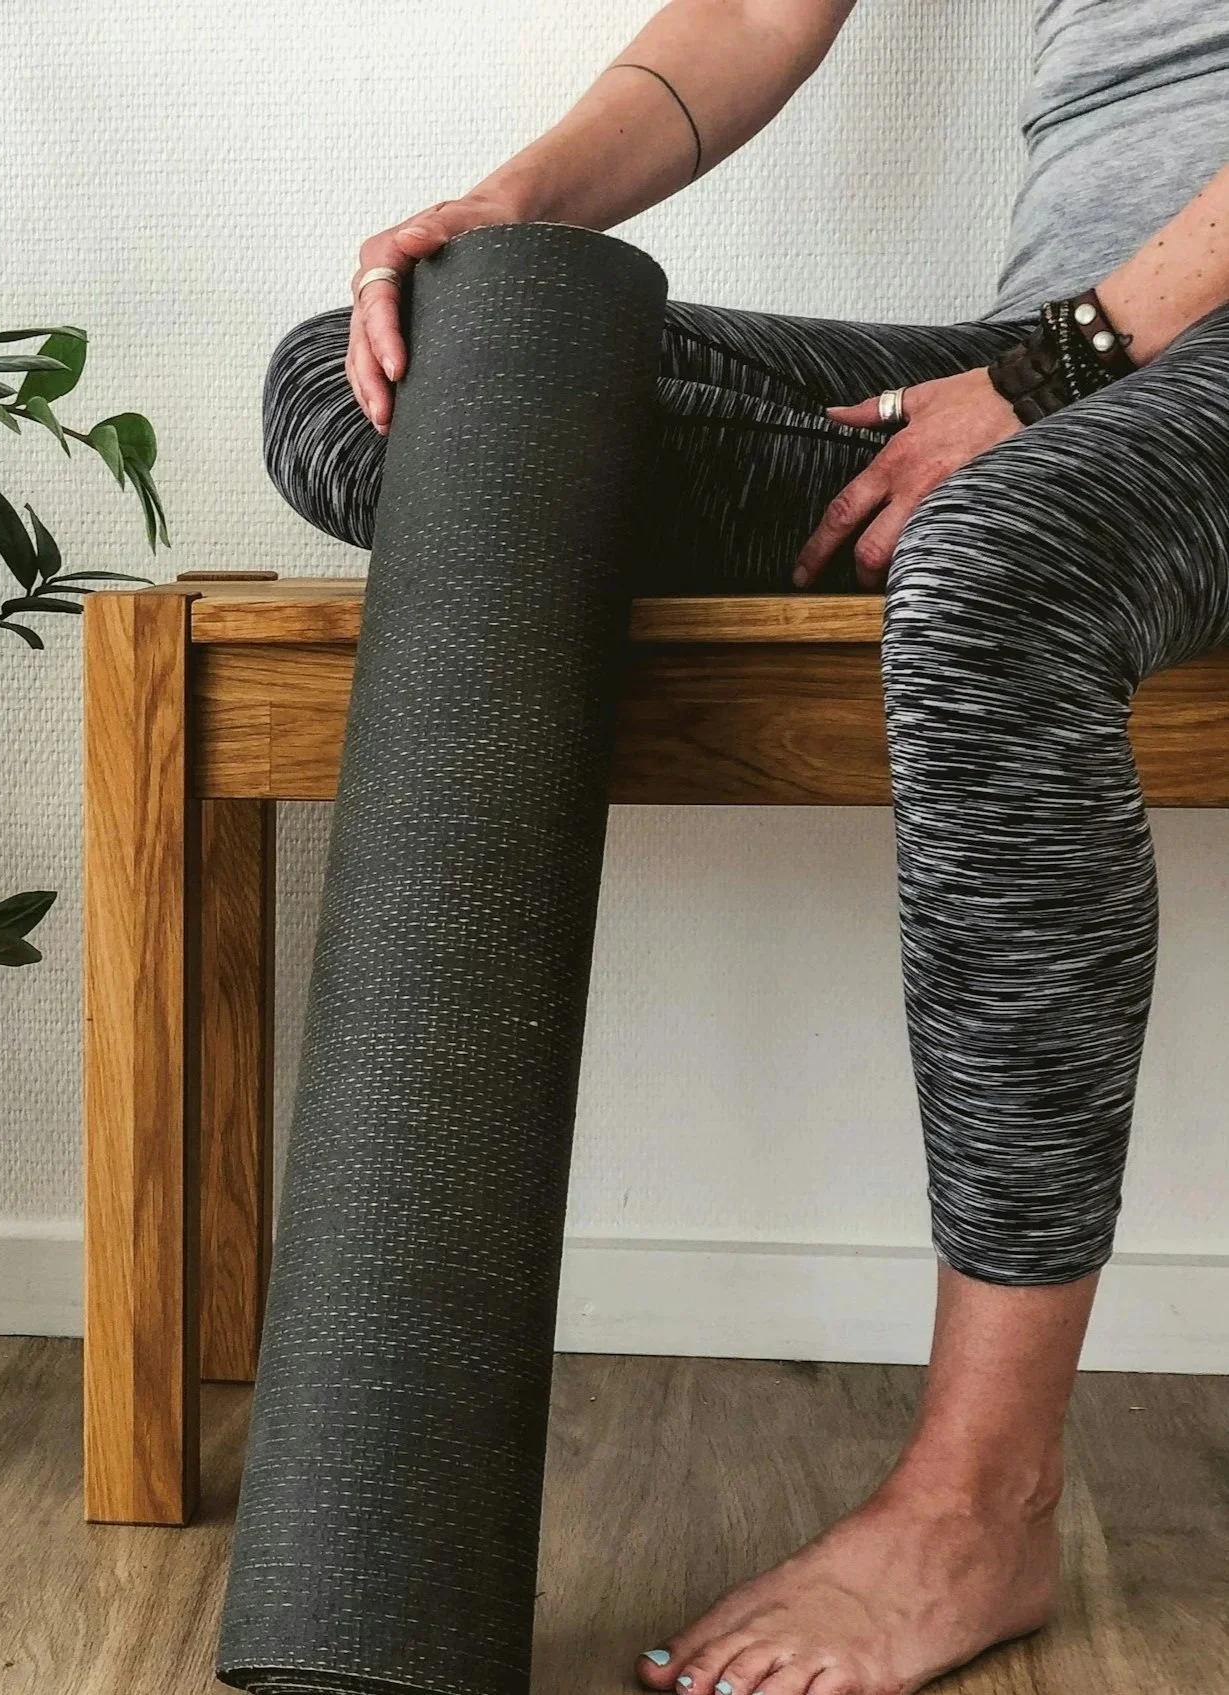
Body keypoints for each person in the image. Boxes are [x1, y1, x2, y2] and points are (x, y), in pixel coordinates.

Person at [261, 3, 1229, 1693]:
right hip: (1072, 359)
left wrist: (1062, 368)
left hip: (1098, 364)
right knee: (413, 378)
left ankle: (981, 1495)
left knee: (994, 566)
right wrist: (524, 211)